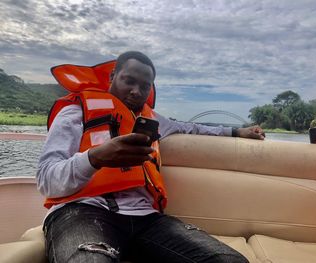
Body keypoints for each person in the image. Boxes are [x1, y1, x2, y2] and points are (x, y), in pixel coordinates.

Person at [37, 51, 265, 263]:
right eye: (129, 81)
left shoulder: (154, 120)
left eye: (144, 86)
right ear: (113, 76)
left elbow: (192, 127)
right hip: (82, 211)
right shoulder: (75, 113)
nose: (136, 91)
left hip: (145, 217)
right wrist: (96, 158)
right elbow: (47, 180)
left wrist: (237, 131)